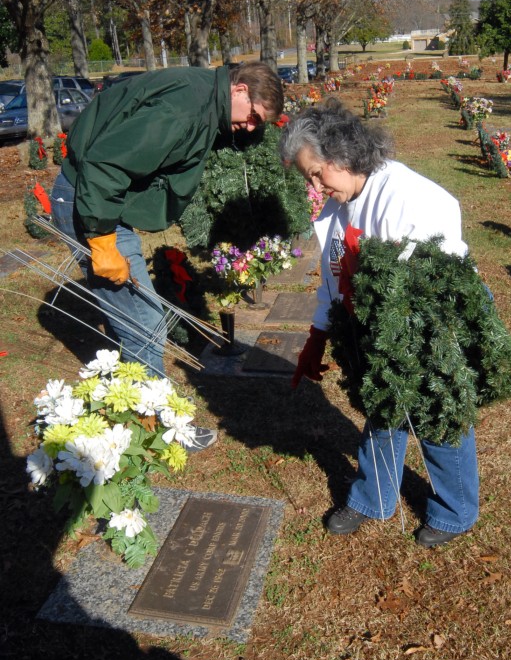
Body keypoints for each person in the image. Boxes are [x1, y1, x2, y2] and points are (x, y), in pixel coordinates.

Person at [51, 62, 284, 449]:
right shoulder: (183, 109)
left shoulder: (204, 97)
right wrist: (101, 240)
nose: (249, 127)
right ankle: (163, 425)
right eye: (253, 117)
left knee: (139, 319)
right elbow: (106, 164)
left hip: (99, 204)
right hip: (88, 206)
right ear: (240, 89)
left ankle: (138, 413)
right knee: (144, 320)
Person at [279, 101, 479, 548]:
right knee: (383, 412)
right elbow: (334, 276)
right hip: (374, 331)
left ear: (344, 155)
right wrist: (317, 337)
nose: (314, 187)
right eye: (307, 178)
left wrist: (406, 343)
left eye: (317, 174)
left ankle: (456, 510)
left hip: (427, 327)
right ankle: (373, 497)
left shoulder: (412, 199)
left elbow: (433, 282)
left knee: (436, 414)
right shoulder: (342, 203)